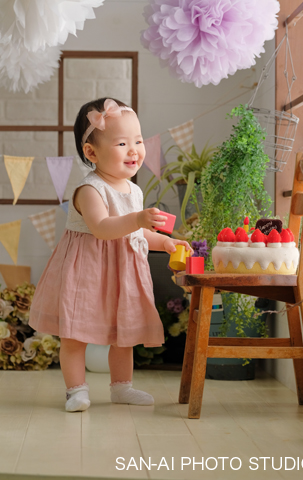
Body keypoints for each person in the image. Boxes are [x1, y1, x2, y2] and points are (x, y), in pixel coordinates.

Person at [29, 97, 193, 412]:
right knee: (76, 335)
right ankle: (76, 390)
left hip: (124, 272)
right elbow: (103, 227)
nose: (134, 150)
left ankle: (122, 387)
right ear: (92, 152)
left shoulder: (134, 191)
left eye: (138, 140)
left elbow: (135, 232)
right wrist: (139, 219)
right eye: (121, 142)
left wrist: (165, 243)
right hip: (87, 273)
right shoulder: (89, 189)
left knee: (123, 335)